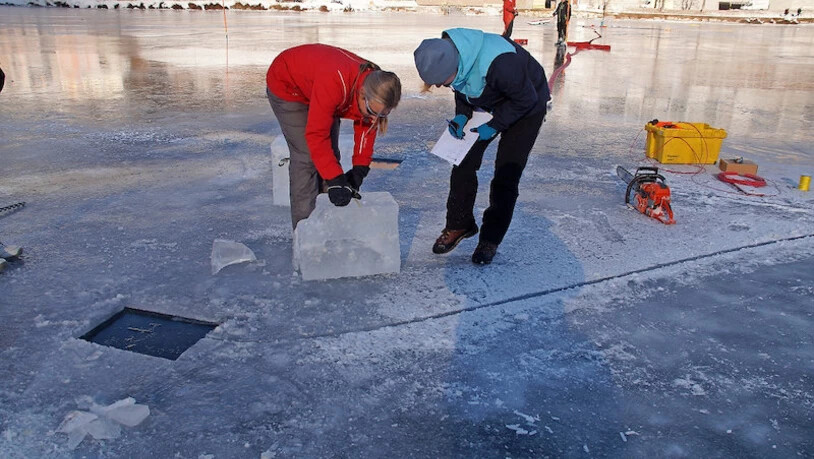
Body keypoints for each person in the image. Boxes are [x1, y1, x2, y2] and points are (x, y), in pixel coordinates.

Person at [413, 28, 550, 265]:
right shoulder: (456, 57)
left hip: (527, 104)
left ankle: (490, 239)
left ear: (453, 66)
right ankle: (459, 224)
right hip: (492, 98)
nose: (439, 87)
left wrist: (495, 125)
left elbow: (526, 99)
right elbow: (462, 88)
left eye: (441, 82)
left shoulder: (502, 62)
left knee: (506, 175)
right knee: (463, 161)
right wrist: (462, 116)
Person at [266, 44, 402, 228]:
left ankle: (328, 223)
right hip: (289, 86)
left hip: (319, 86)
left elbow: (366, 131)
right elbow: (316, 136)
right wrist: (336, 179)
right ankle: (305, 231)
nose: (374, 119)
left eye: (382, 115)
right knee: (306, 157)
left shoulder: (375, 89)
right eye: (371, 111)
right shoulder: (336, 82)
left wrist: (359, 171)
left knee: (329, 156)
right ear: (362, 94)